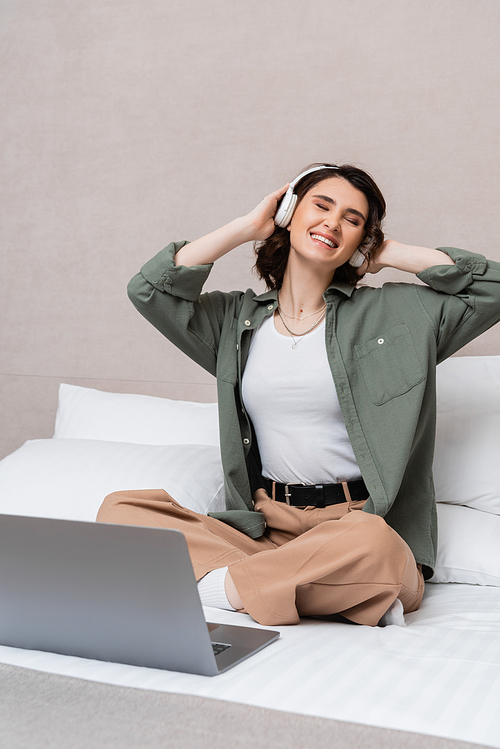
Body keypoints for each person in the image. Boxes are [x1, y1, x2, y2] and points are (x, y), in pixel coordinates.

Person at [97, 163, 500, 627]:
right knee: (122, 510)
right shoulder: (233, 321)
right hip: (265, 533)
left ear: (361, 239)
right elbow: (150, 290)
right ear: (289, 212)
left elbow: (491, 289)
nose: (333, 222)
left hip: (356, 527)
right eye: (321, 206)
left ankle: (222, 588)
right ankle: (314, 589)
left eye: (353, 220)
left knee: (378, 547)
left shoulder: (398, 313)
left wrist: (390, 252)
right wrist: (247, 227)